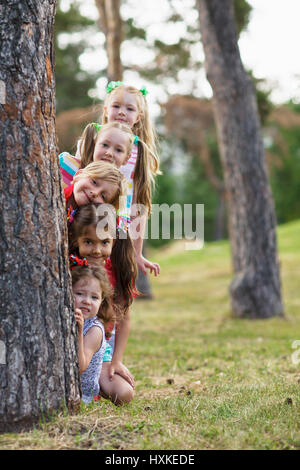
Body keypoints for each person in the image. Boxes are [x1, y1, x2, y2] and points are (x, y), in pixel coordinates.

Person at [59, 81, 161, 276]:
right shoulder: (92, 139)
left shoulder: (139, 154)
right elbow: (73, 179)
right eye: (116, 106)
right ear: (106, 110)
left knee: (110, 273)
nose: (122, 112)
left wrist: (137, 254)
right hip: (84, 214)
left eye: (129, 108)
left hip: (117, 220)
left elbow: (139, 206)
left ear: (139, 117)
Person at [69, 204, 137, 405]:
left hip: (103, 342)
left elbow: (124, 319)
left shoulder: (118, 270)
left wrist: (116, 360)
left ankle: (96, 377)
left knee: (123, 393)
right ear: (76, 240)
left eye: (104, 242)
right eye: (89, 242)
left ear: (114, 241)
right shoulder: (69, 266)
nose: (96, 250)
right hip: (75, 334)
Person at [72, 264, 114, 404]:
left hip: (82, 395)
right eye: (79, 294)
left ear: (102, 302)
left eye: (94, 297)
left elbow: (81, 366)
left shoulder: (94, 330)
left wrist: (79, 331)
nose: (87, 301)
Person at [64, 160, 126, 226]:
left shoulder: (96, 229)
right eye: (94, 182)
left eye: (103, 196)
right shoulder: (56, 197)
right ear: (79, 175)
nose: (95, 193)